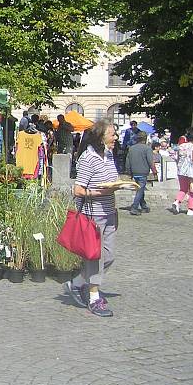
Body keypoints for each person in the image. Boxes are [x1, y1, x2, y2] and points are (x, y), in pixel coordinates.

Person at [64, 119, 121, 317]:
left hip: (109, 212)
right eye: (112, 134)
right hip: (93, 214)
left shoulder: (109, 154)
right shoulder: (88, 158)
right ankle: (94, 297)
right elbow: (78, 189)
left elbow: (111, 179)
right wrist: (98, 192)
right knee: (94, 258)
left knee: (109, 255)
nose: (115, 137)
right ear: (100, 137)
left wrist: (117, 185)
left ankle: (77, 282)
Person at [125, 131, 156, 215]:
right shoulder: (147, 148)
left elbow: (127, 161)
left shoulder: (131, 148)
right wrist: (154, 171)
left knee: (140, 189)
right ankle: (134, 207)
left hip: (134, 172)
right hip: (143, 172)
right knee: (140, 190)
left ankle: (144, 206)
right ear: (145, 139)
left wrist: (129, 172)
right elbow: (150, 161)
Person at [170, 130, 193, 215]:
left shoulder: (181, 146)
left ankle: (177, 202)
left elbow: (176, 157)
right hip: (191, 171)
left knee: (183, 189)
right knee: (192, 190)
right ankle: (190, 209)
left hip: (181, 170)